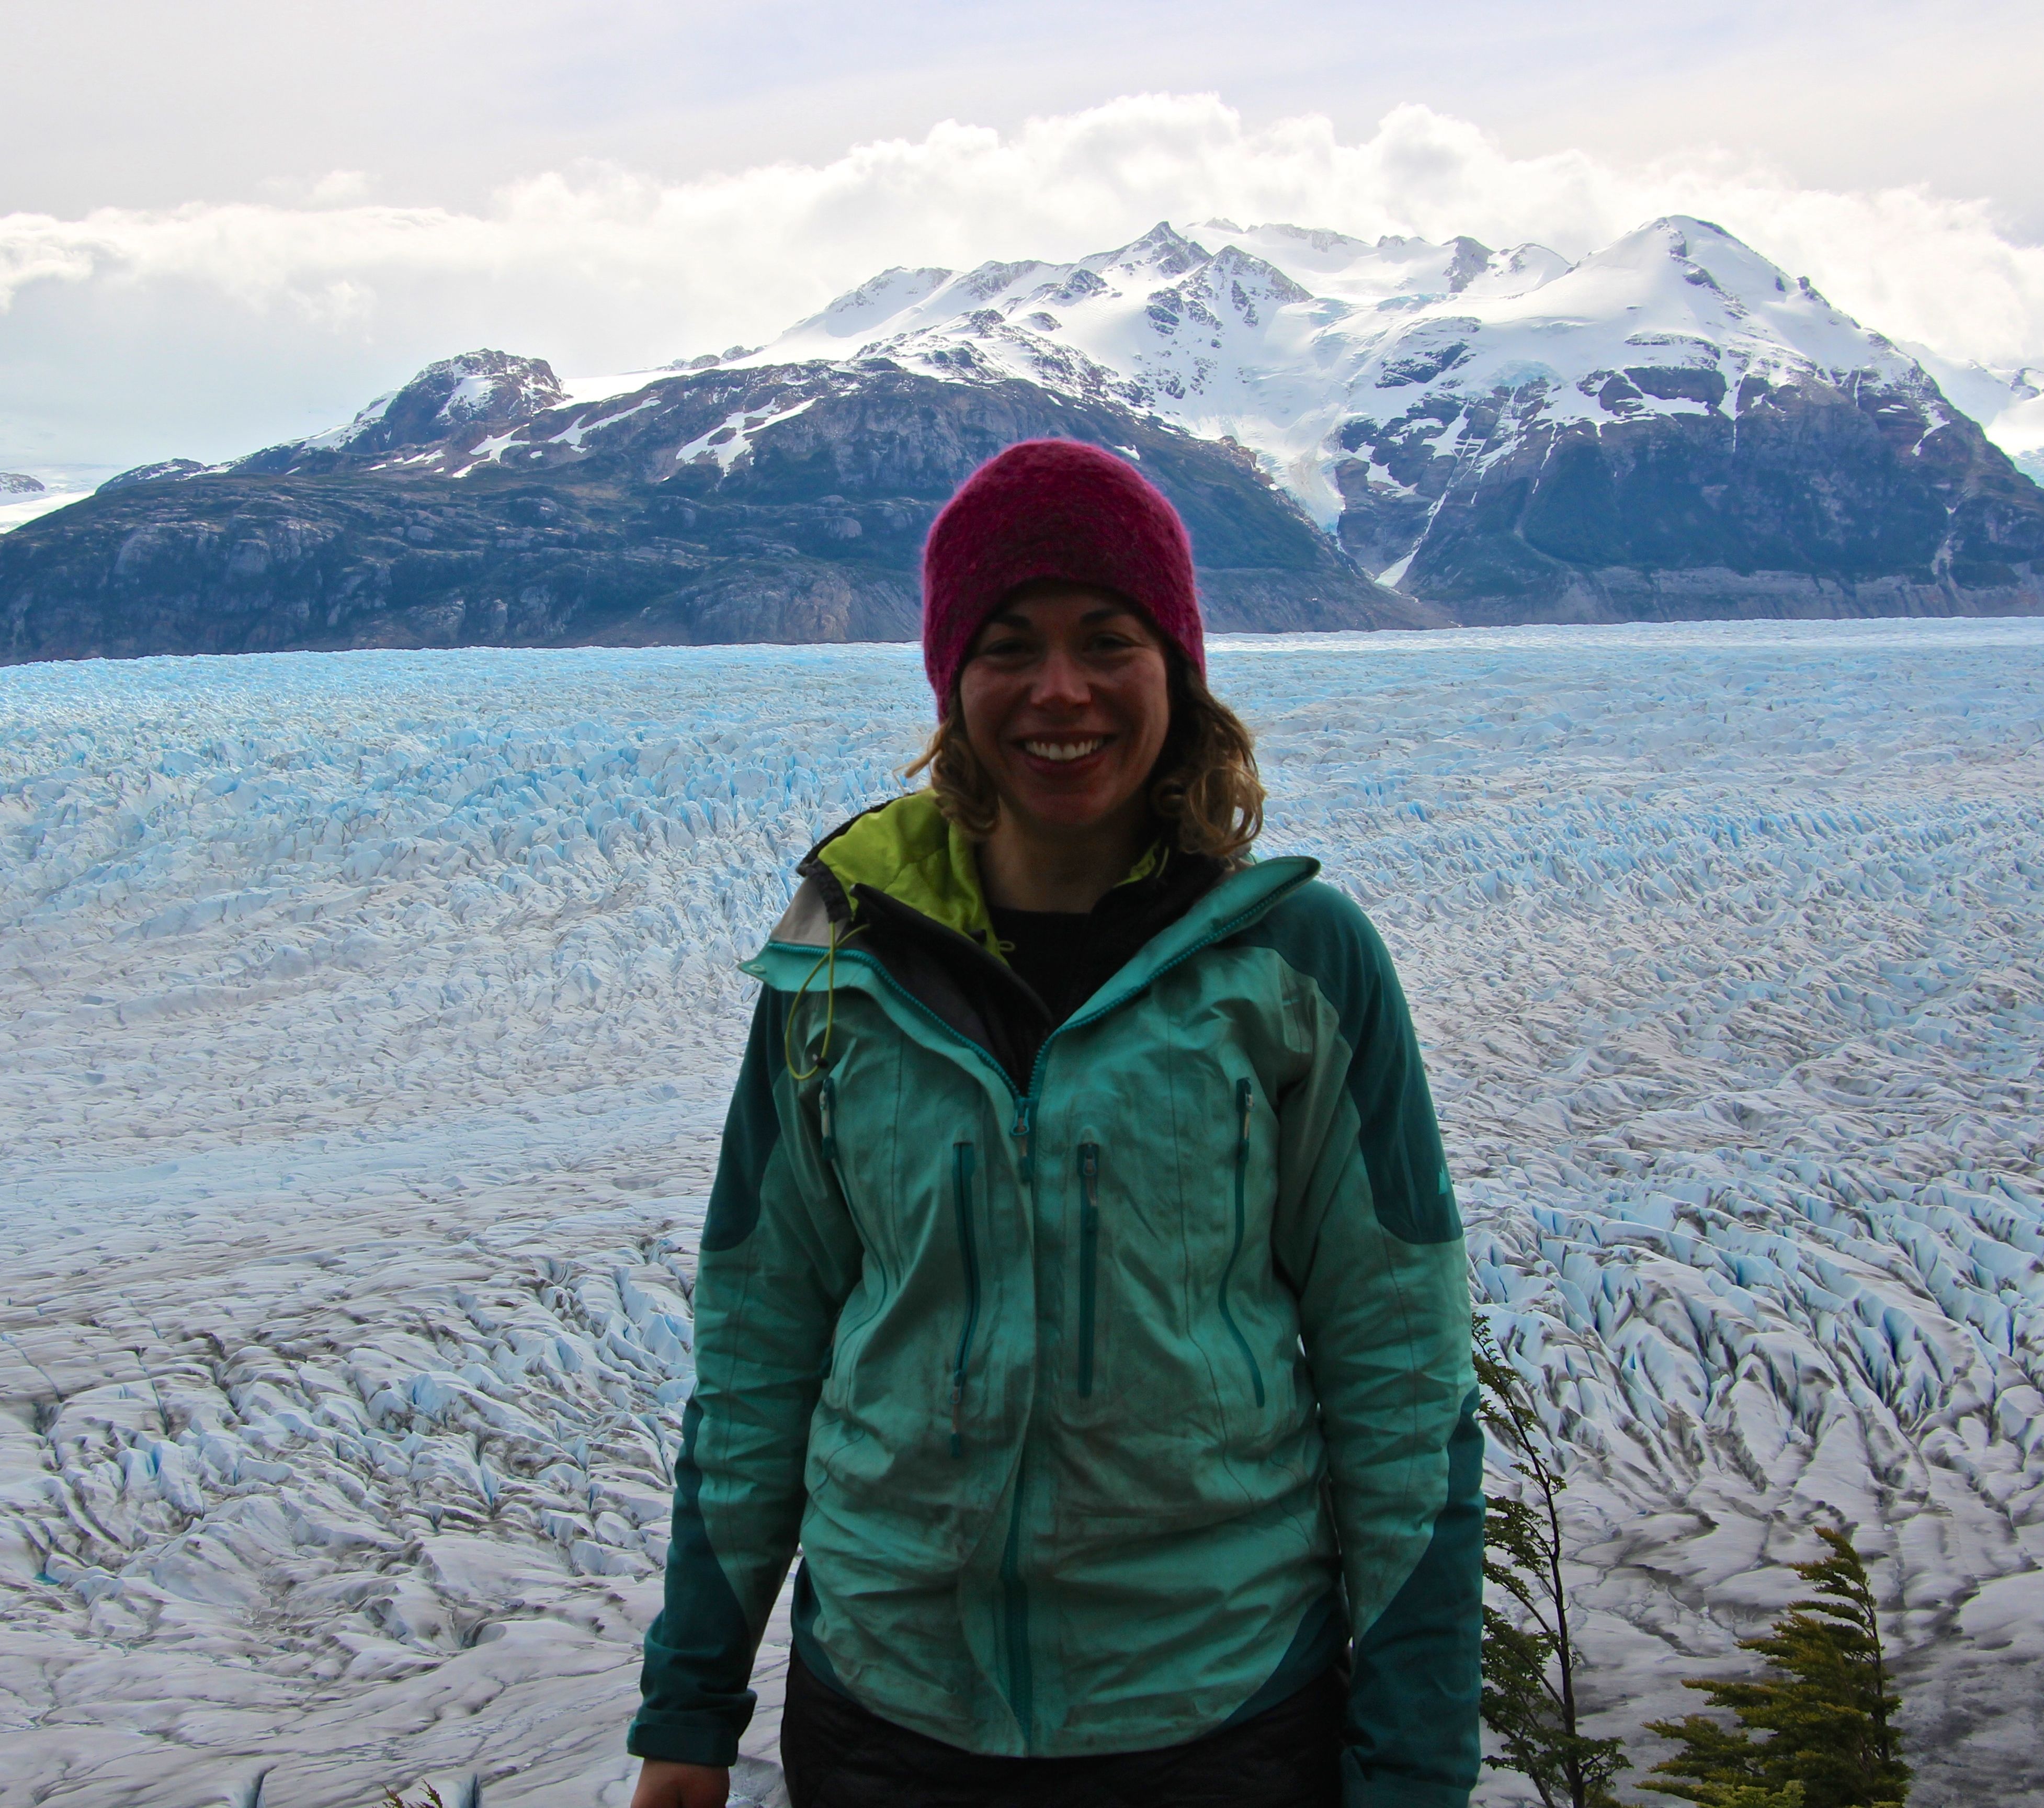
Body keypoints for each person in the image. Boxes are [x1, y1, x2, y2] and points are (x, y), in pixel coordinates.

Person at [624, 439, 1481, 1808]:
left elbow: (1403, 1381)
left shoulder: (1299, 964)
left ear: (1178, 671)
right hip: (889, 1718)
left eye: (1108, 639)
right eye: (1008, 644)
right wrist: (690, 1709)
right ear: (953, 685)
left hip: (1218, 1716)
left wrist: (1417, 1766)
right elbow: (760, 1342)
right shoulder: (840, 964)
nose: (1060, 690)